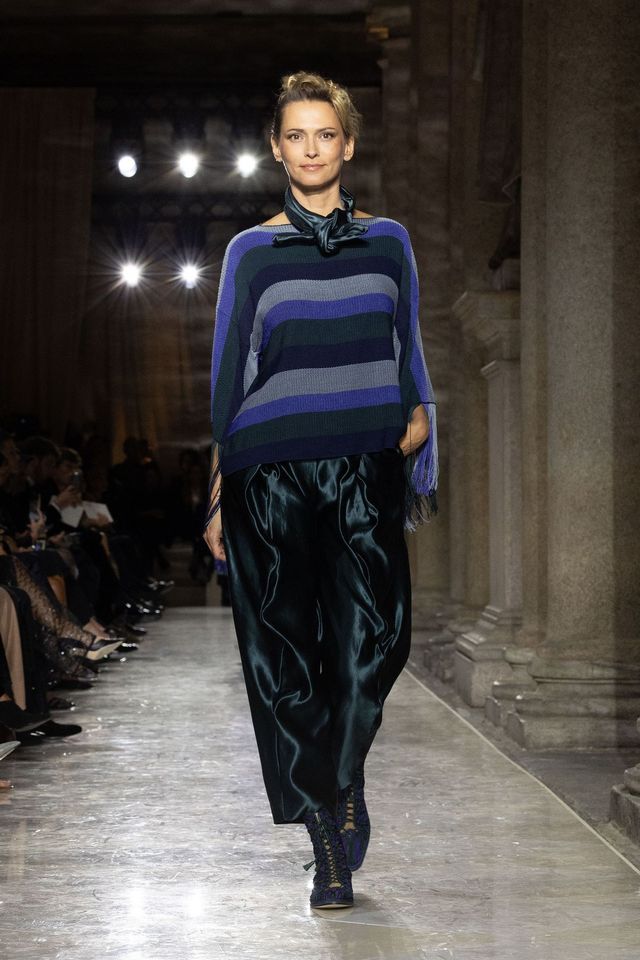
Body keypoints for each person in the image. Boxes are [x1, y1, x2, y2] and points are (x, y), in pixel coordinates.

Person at [203, 71, 438, 911]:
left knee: (379, 638)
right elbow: (229, 378)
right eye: (296, 135)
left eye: (325, 134)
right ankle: (327, 842)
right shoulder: (250, 252)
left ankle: (344, 776)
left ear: (348, 143)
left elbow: (407, 349)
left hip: (363, 465)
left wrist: (412, 428)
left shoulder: (390, 242)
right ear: (277, 148)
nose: (311, 148)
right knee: (284, 656)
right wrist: (218, 492)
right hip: (269, 469)